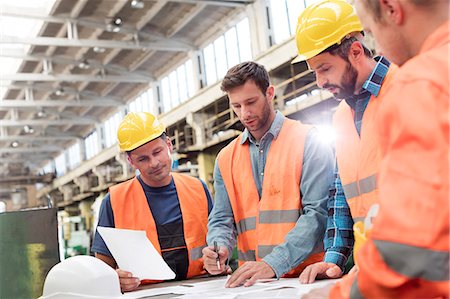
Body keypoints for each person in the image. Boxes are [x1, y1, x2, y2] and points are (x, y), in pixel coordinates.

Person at [325, 0, 450, 298]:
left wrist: (344, 294)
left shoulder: (423, 81)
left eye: (371, 30)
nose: (377, 46)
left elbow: (411, 246)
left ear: (392, 8)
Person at [291, 0, 398, 284]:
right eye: (314, 71)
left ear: (355, 51)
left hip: (418, 267)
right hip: (373, 273)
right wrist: (334, 259)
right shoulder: (341, 116)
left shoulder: (403, 90)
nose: (319, 81)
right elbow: (342, 192)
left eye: (324, 68)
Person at [202, 61, 334, 287]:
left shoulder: (308, 140)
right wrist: (218, 246)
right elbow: (222, 218)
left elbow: (318, 213)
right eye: (237, 106)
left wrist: (274, 263)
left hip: (307, 279)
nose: (245, 113)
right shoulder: (225, 158)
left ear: (269, 93)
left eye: (251, 102)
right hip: (252, 285)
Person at [92, 112, 213, 292]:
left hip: (202, 288)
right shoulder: (114, 201)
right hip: (145, 293)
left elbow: (216, 242)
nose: (154, 163)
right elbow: (103, 269)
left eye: (157, 152)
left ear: (169, 145)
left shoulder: (198, 189)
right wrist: (115, 279)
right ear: (131, 161)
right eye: (143, 159)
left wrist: (218, 260)